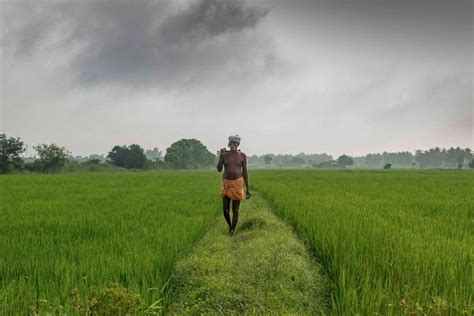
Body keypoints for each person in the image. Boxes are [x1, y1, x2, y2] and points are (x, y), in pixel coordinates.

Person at [217, 135, 251, 234]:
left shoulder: (242, 156)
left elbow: (245, 172)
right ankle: (229, 225)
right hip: (226, 183)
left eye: (235, 143)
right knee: (225, 210)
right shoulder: (224, 155)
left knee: (235, 209)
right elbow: (219, 169)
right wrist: (220, 156)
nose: (233, 144)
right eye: (231, 142)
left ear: (238, 144)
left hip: (237, 183)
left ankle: (232, 229)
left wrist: (248, 188)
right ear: (228, 143)